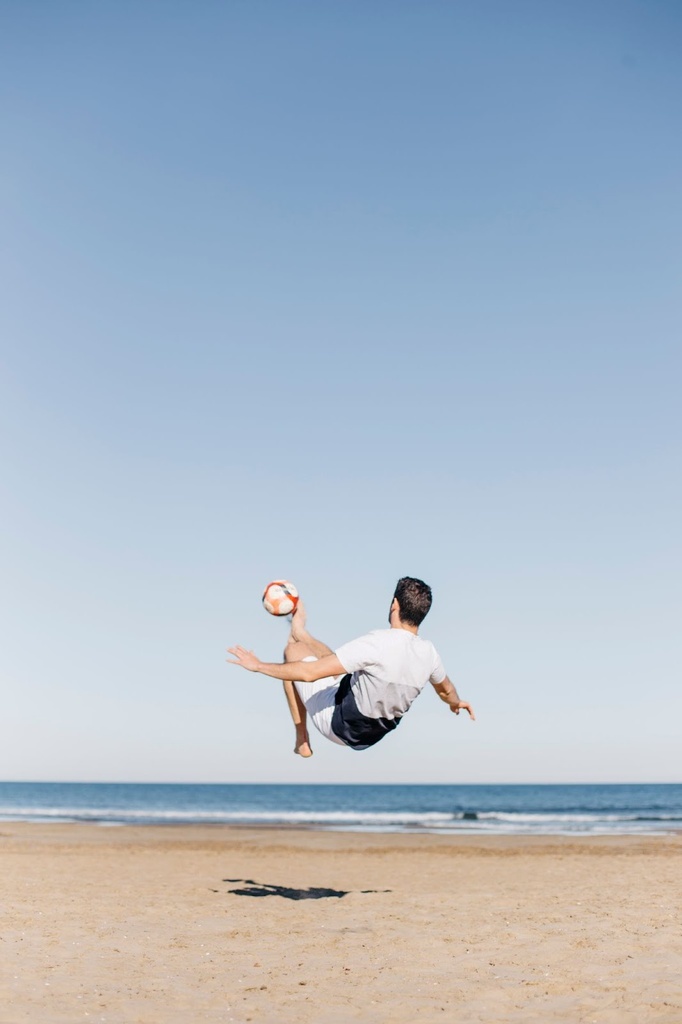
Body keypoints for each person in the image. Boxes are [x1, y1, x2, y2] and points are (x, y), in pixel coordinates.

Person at [227, 576, 475, 757]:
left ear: (394, 605)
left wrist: (258, 665)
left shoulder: (377, 642)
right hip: (371, 736)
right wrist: (456, 703)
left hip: (339, 725)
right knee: (344, 665)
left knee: (293, 649)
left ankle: (301, 738)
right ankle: (301, 631)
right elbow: (446, 690)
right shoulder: (429, 653)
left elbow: (308, 673)